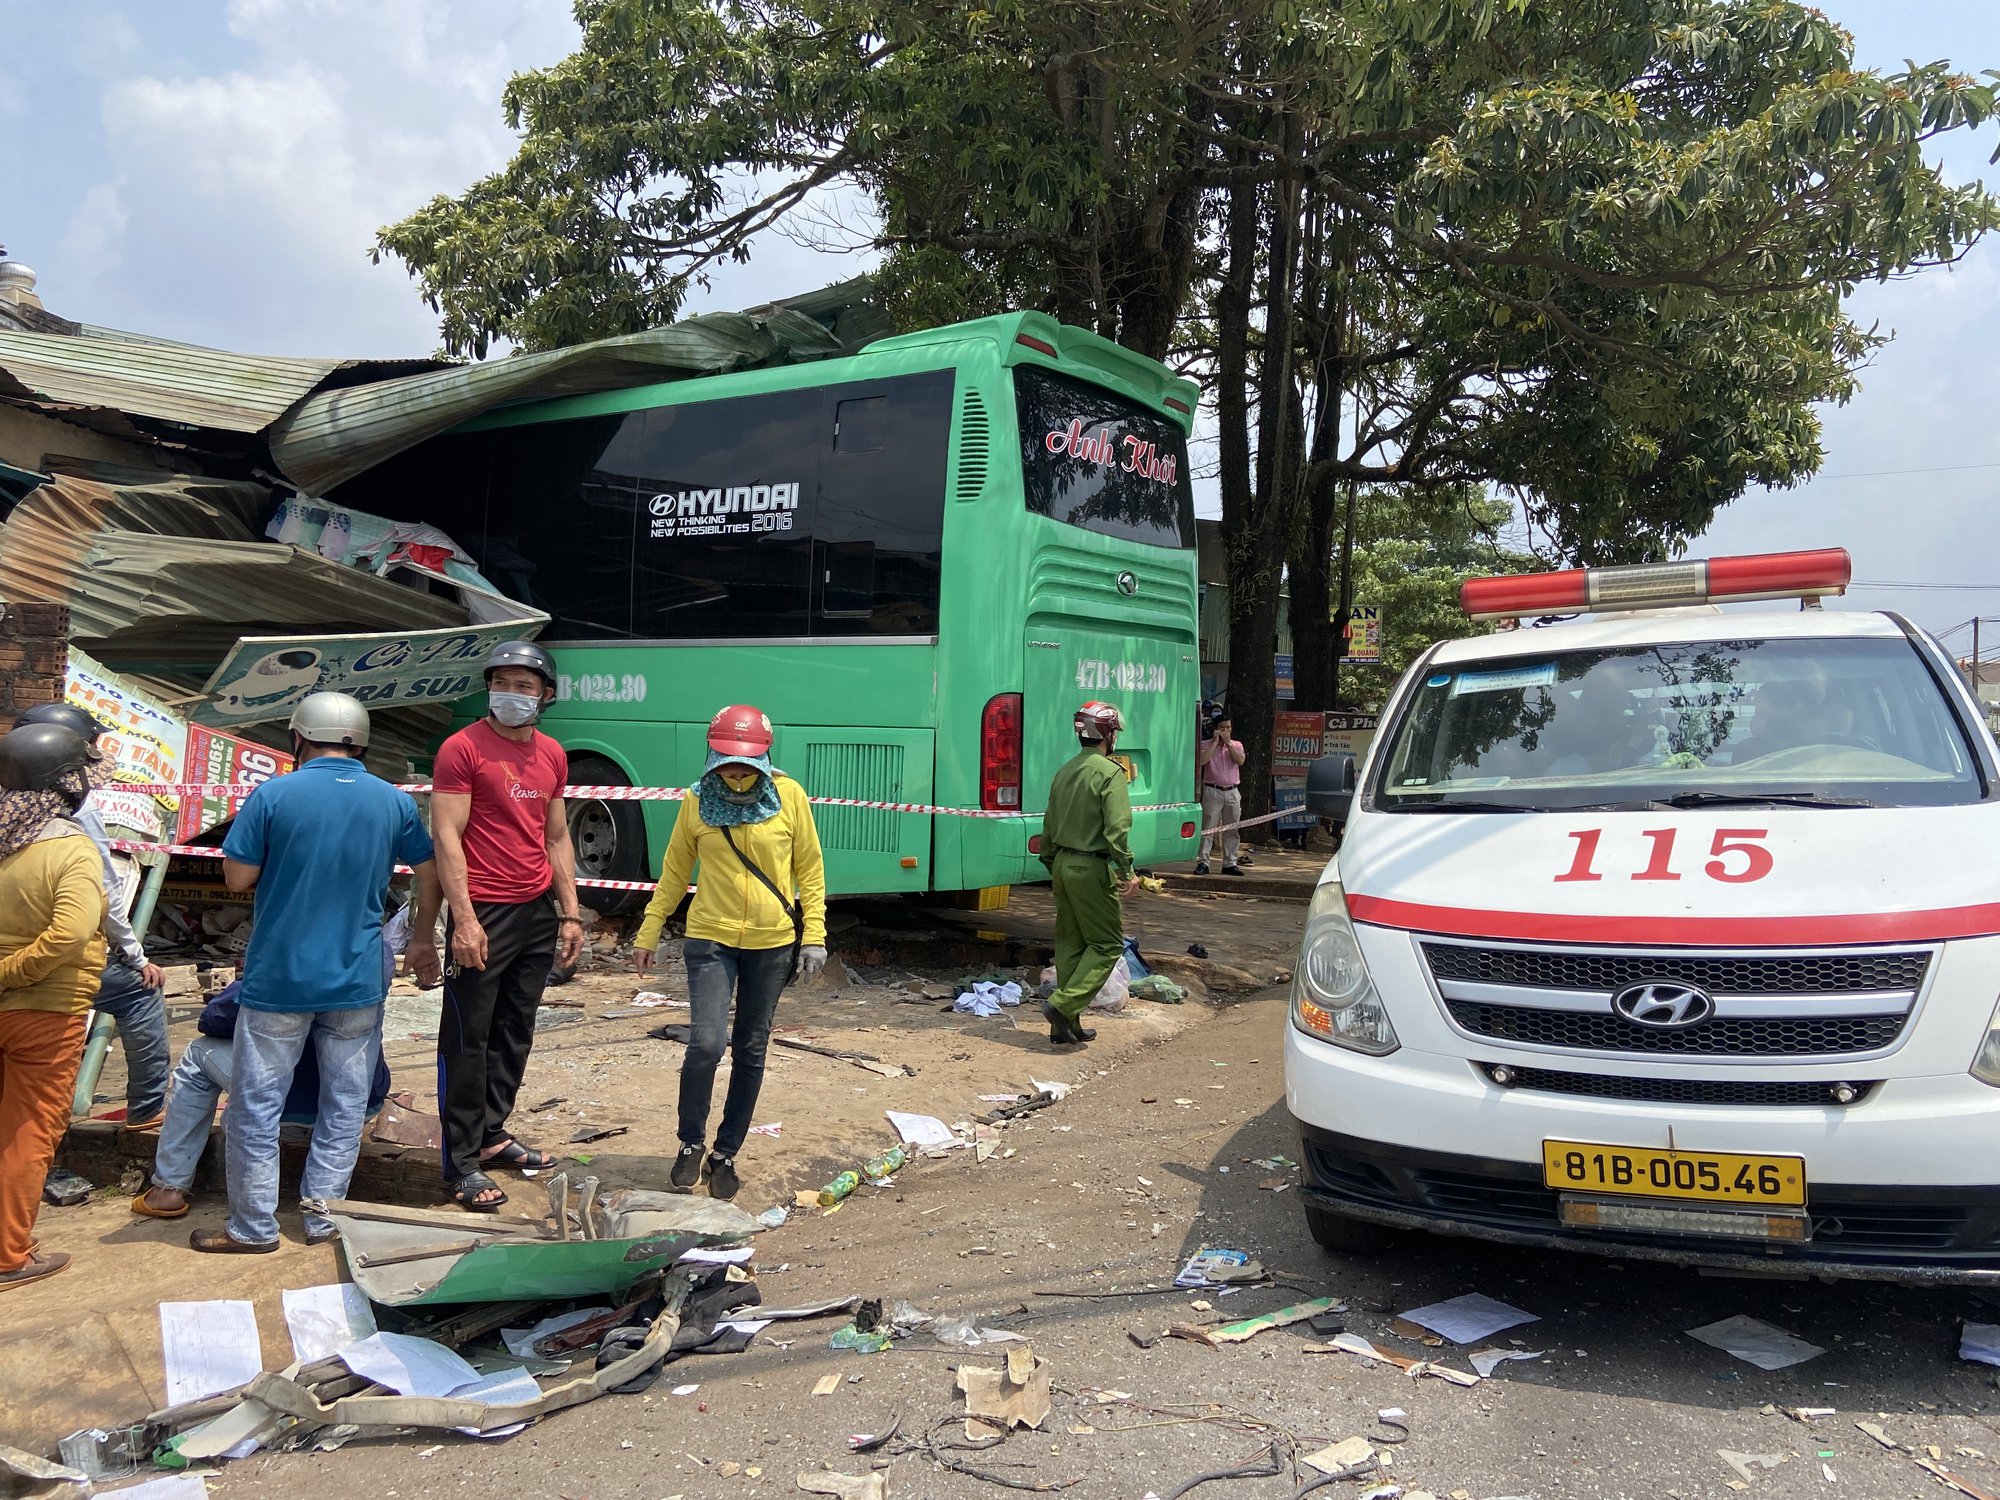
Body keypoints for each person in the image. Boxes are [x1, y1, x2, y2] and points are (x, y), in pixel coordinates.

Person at [195, 693, 440, 1253]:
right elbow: (431, 874)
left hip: (279, 978)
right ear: (361, 741)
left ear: (297, 737)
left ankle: (253, 1228)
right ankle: (325, 1219)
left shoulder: (273, 794)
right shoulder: (393, 802)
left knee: (257, 1106)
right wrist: (421, 937)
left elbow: (236, 879)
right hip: (356, 979)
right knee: (344, 1104)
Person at [632, 705, 826, 1202]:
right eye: (727, 760)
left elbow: (810, 870)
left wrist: (815, 938)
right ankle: (690, 1142)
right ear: (711, 754)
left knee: (752, 1048)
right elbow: (675, 872)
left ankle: (725, 1153)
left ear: (765, 754)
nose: (736, 771)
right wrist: (649, 930)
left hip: (773, 942)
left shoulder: (789, 796)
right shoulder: (696, 801)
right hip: (711, 940)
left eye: (745, 761)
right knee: (706, 1044)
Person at [431, 641, 582, 1212]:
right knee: (469, 1037)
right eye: (503, 683)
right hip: (483, 911)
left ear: (545, 696)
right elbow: (446, 836)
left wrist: (569, 912)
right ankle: (461, 1162)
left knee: (516, 1028)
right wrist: (463, 920)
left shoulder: (551, 754)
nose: (511, 695)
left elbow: (557, 836)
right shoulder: (462, 748)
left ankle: (493, 1133)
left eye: (525, 686)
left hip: (535, 910)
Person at [132, 925, 402, 1221]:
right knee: (341, 1081)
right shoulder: (377, 948)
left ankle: (170, 1185)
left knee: (198, 1054)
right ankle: (322, 1216)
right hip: (363, 1103)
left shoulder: (285, 942)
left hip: (285, 1105)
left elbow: (214, 1018)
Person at [16, 702, 169, 1126]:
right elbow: (96, 903)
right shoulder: (74, 816)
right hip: (45, 966)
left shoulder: (9, 806)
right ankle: (147, 1109)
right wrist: (136, 957)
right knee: (140, 992)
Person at [0, 723, 108, 1290]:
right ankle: (8, 1255)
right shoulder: (70, 848)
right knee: (28, 1133)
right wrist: (14, 972)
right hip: (47, 1011)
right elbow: (71, 933)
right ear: (68, 786)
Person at [1040, 700, 1138, 1047]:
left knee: (1070, 945)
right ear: (1107, 735)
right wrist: (1128, 870)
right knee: (1108, 944)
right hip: (1091, 866)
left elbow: (1048, 825)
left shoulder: (1064, 771)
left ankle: (1064, 1027)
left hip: (1062, 866)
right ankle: (1062, 1006)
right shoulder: (1110, 773)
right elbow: (1117, 829)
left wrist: (1054, 864)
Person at [1194, 714, 1246, 877]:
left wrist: (1229, 744)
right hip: (1212, 790)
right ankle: (1203, 862)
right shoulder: (1205, 744)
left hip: (1232, 791)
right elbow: (1202, 761)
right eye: (1222, 727)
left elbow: (1240, 761)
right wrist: (1215, 743)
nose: (1225, 731)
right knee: (1208, 828)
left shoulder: (1236, 744)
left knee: (1232, 828)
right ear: (1215, 729)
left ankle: (1230, 863)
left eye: (1228, 727)